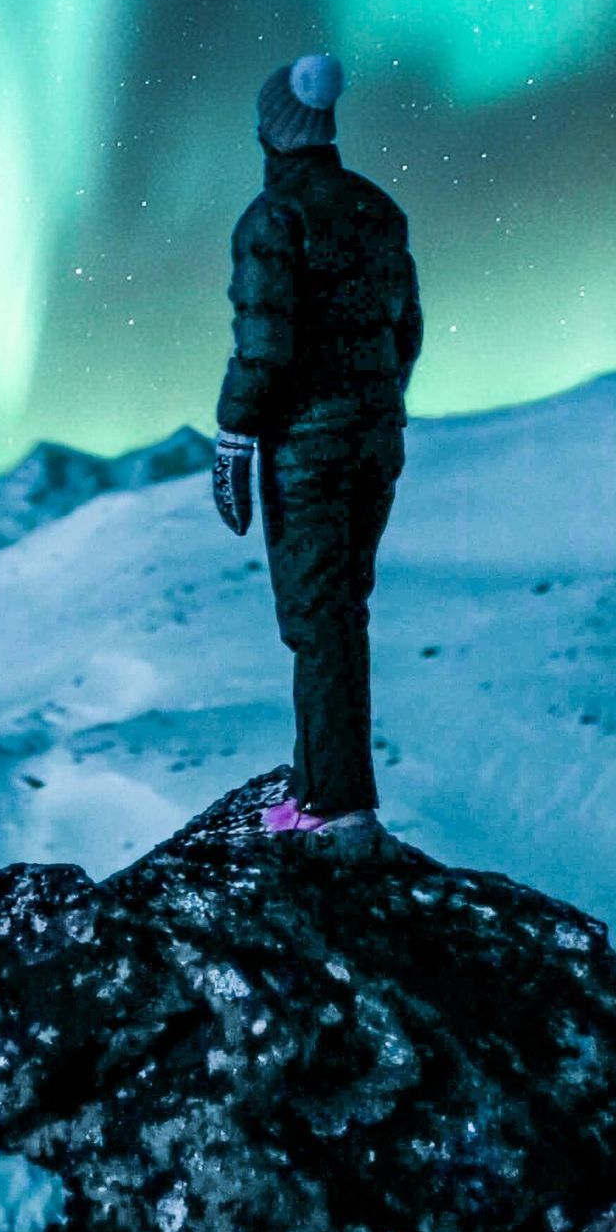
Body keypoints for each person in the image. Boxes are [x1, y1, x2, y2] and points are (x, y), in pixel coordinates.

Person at [211, 52, 422, 852]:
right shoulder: (379, 208)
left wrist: (235, 436)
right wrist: (377, 399)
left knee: (316, 617)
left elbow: (264, 349)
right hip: (377, 439)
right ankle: (325, 788)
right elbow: (407, 330)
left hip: (310, 449)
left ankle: (335, 806)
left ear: (274, 128)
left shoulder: (273, 220)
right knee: (343, 612)